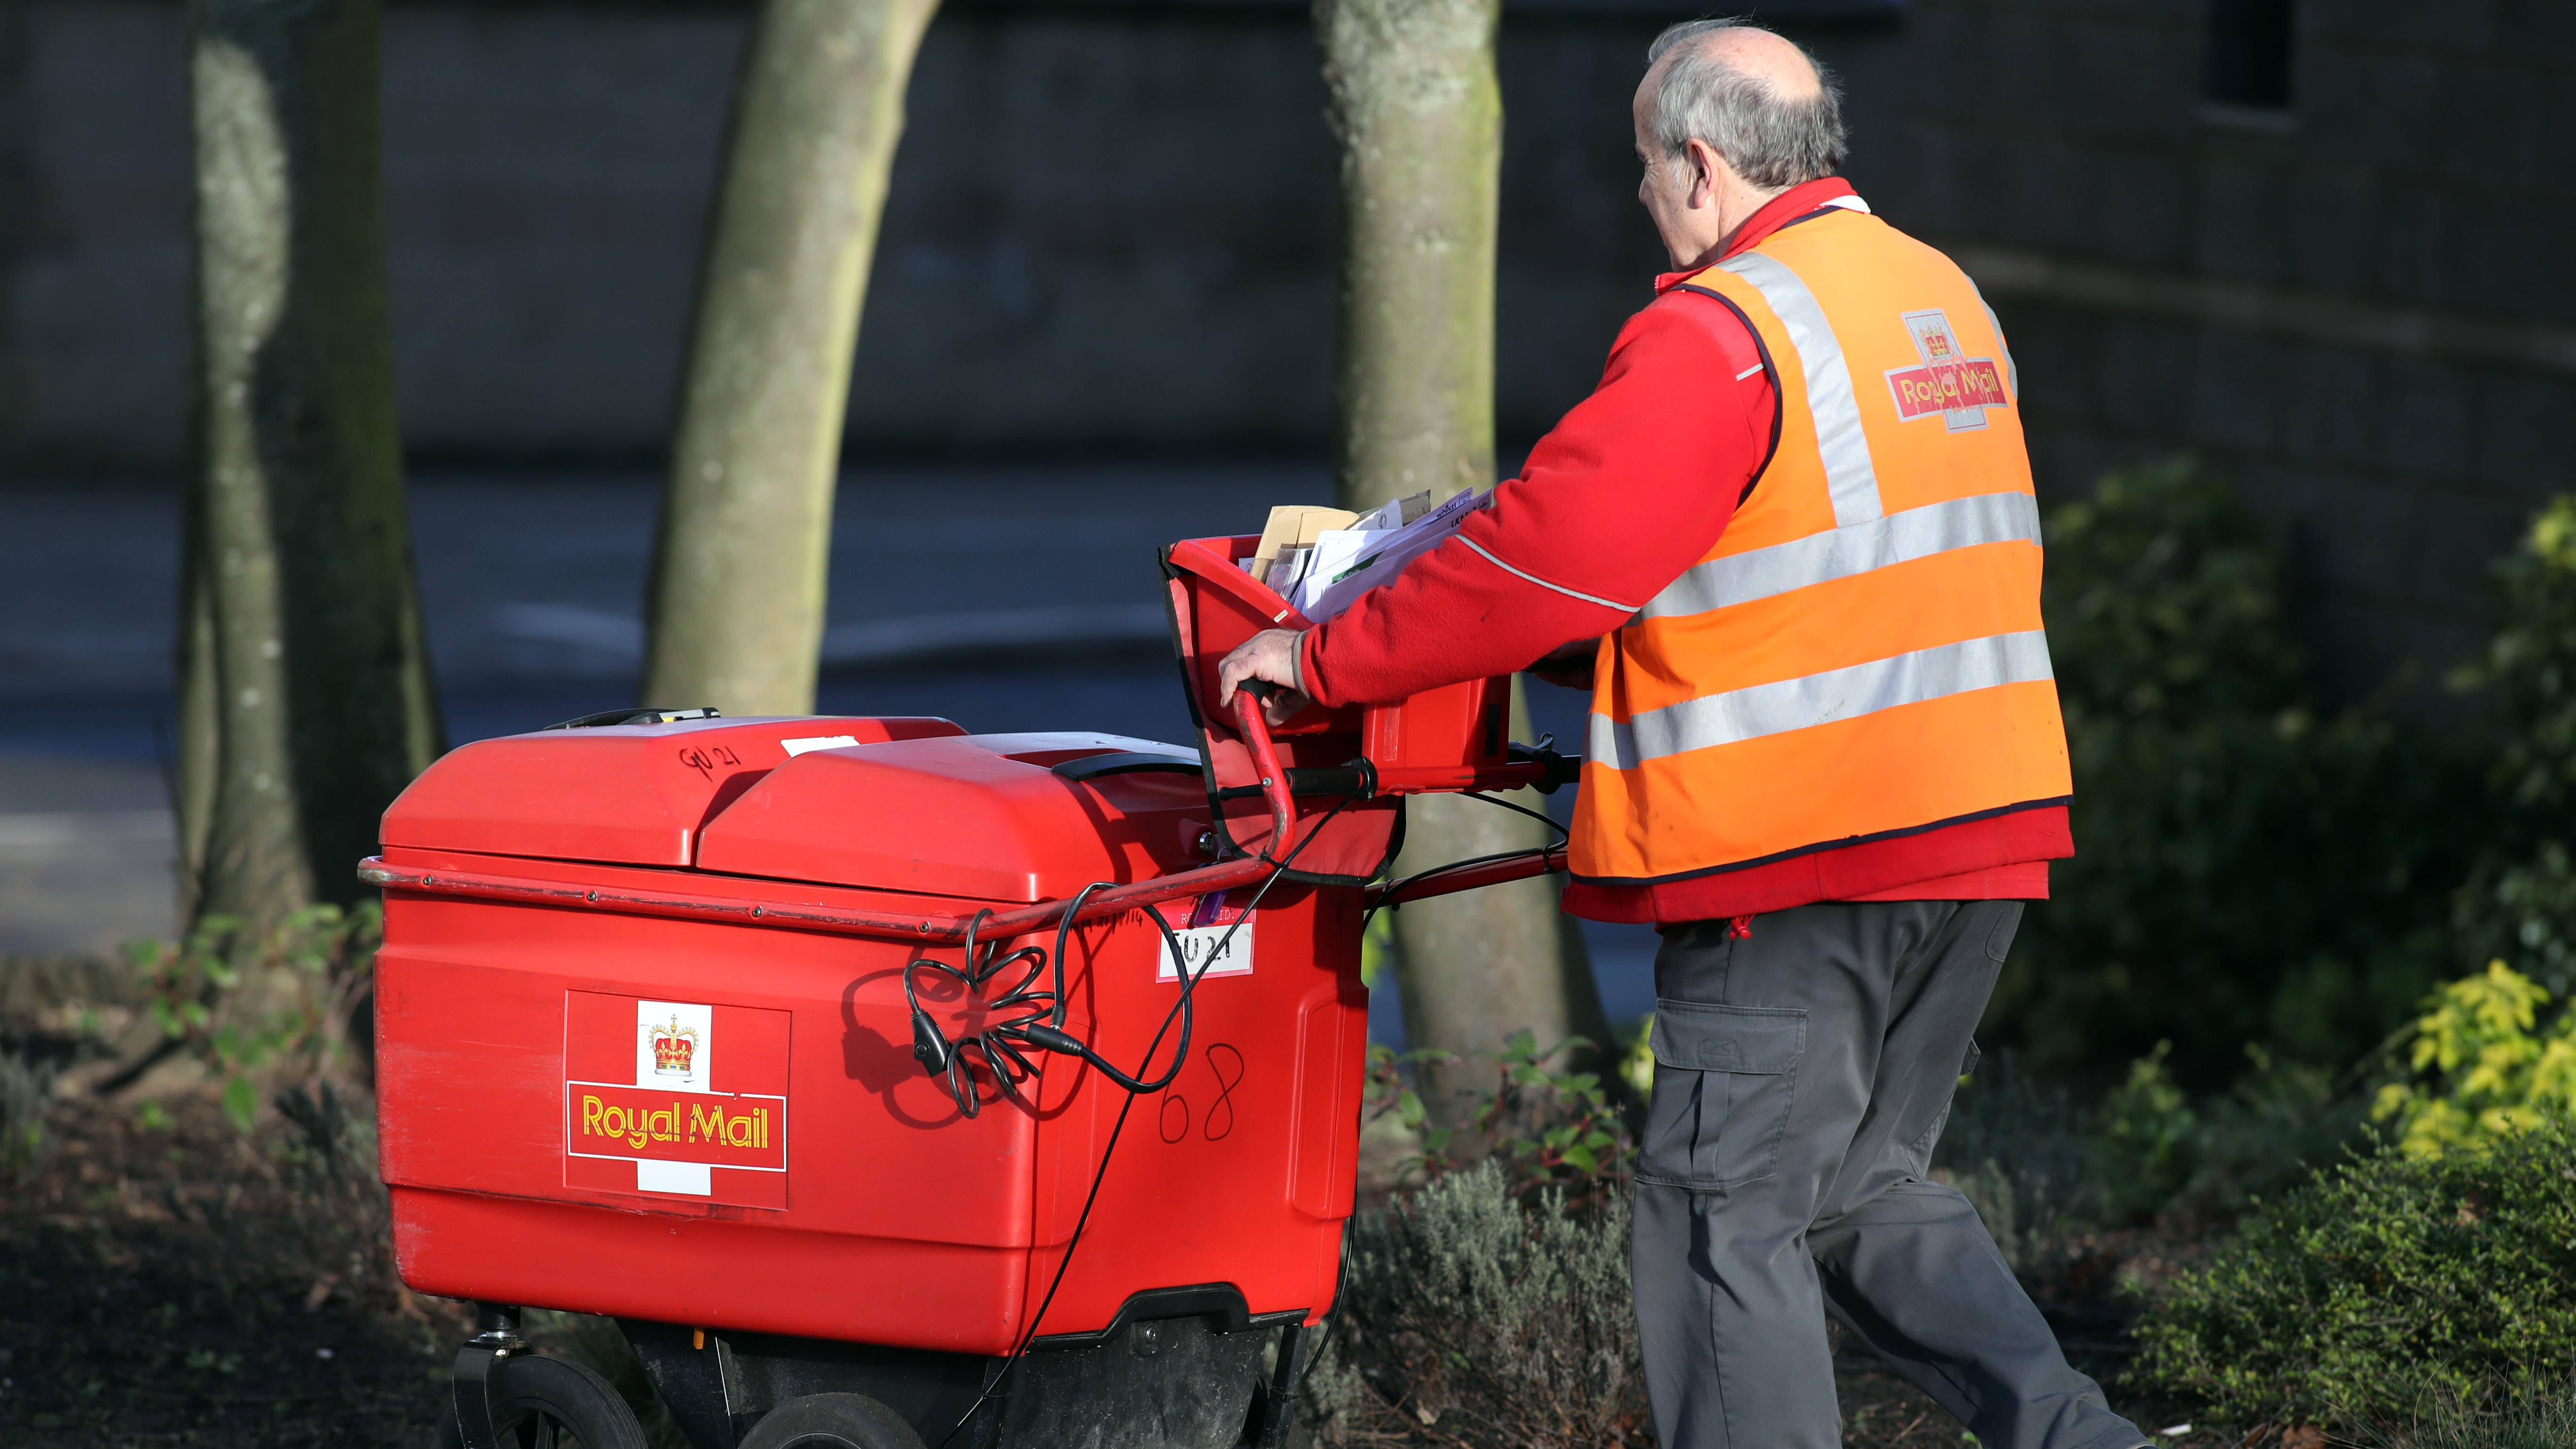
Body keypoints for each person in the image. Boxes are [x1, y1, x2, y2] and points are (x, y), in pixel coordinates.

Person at [1217, 18, 2151, 1449]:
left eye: (1648, 170)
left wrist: (1326, 651)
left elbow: (1548, 556)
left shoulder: (1724, 330)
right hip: (1977, 830)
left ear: (1703, 164)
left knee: (1728, 1219)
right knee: (1861, 1191)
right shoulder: (1934, 291)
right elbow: (1819, 560)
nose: (1647, 199)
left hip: (1797, 859)